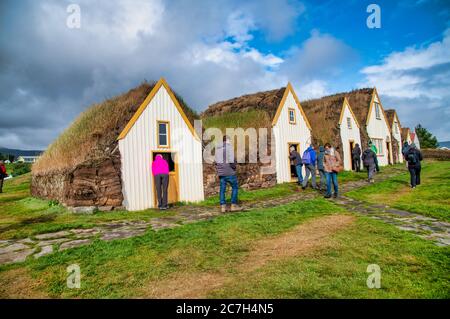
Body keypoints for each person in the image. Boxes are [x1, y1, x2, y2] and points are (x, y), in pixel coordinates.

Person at [216, 135, 241, 213]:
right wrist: (234, 167)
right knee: (235, 187)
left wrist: (219, 170)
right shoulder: (229, 148)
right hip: (229, 172)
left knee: (222, 190)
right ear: (227, 140)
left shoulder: (218, 149)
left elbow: (216, 162)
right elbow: (231, 160)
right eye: (229, 140)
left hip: (221, 173)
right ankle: (233, 205)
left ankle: (223, 207)